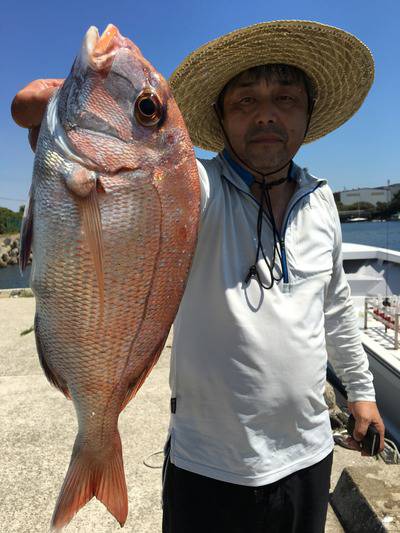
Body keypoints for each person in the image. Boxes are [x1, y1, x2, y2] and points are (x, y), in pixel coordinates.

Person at [11, 20, 385, 533]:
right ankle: (95, 443)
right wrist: (65, 120)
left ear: (309, 112)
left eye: (285, 98)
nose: (267, 115)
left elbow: (337, 307)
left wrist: (361, 392)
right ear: (220, 117)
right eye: (245, 102)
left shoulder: (321, 198)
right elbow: (130, 180)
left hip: (309, 455)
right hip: (207, 467)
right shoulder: (191, 189)